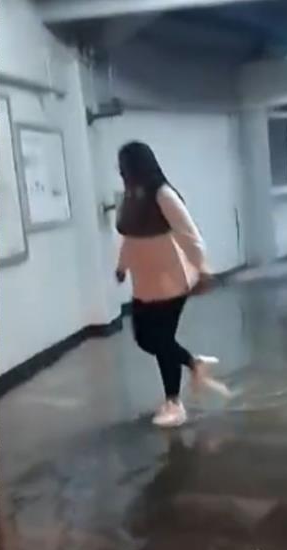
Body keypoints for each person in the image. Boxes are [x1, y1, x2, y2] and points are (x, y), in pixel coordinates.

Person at [114, 141, 227, 428]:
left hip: (171, 280)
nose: (122, 171)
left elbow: (190, 235)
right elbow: (129, 237)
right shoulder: (131, 197)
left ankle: (174, 404)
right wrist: (122, 266)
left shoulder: (163, 195)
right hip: (144, 280)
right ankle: (194, 364)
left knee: (162, 340)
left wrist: (203, 269)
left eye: (125, 166)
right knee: (144, 338)